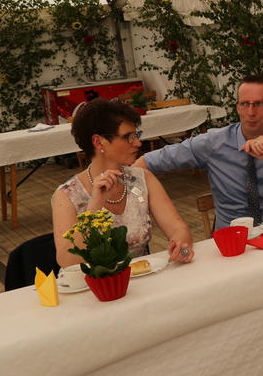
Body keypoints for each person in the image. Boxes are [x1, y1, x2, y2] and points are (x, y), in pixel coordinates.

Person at [136, 75, 263, 231]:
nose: (250, 112)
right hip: (230, 240)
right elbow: (145, 163)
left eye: (259, 104)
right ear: (237, 107)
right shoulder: (213, 142)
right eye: (245, 104)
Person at [53, 98, 194, 268]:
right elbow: (67, 262)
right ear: (98, 142)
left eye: (136, 135)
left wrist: (180, 245)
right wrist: (94, 207)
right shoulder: (67, 196)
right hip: (95, 282)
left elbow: (178, 228)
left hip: (142, 275)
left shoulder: (142, 179)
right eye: (128, 137)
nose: (138, 143)